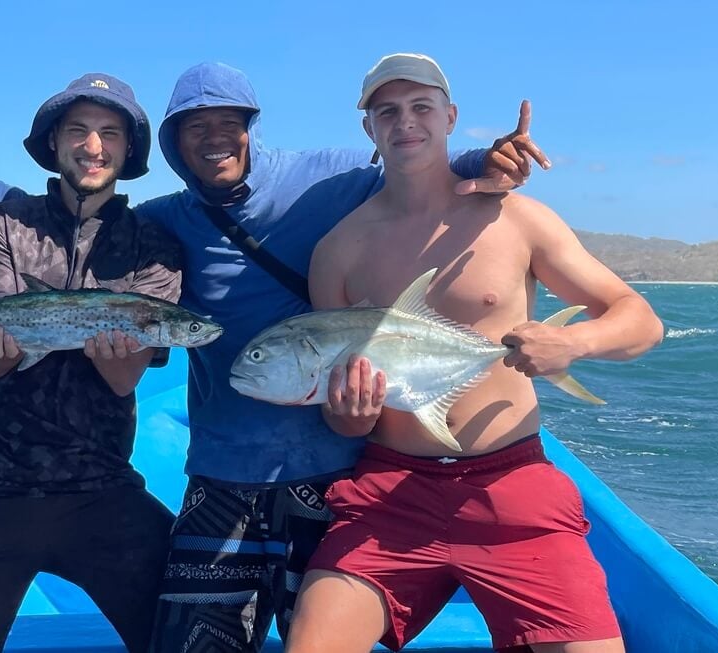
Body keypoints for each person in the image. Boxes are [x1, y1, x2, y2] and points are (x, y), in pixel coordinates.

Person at [0, 61, 548, 653]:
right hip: (216, 472)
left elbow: (409, 160)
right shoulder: (168, 221)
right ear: (170, 147)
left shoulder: (310, 181)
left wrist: (484, 156)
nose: (214, 139)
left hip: (328, 467)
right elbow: (69, 214)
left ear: (249, 129)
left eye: (228, 124)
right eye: (194, 129)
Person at [284, 53, 664, 653]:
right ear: (370, 130)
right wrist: (349, 414)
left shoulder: (514, 218)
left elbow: (639, 319)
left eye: (421, 107)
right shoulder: (338, 249)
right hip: (390, 490)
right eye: (388, 112)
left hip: (510, 482)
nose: (405, 122)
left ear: (450, 116)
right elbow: (338, 412)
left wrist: (572, 342)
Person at [0, 73, 184, 653]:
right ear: (53, 142)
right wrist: (5, 344)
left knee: (199, 633)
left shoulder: (155, 245)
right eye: (78, 130)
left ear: (128, 150)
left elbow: (124, 378)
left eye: (110, 133)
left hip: (103, 486)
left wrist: (115, 352)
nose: (93, 146)